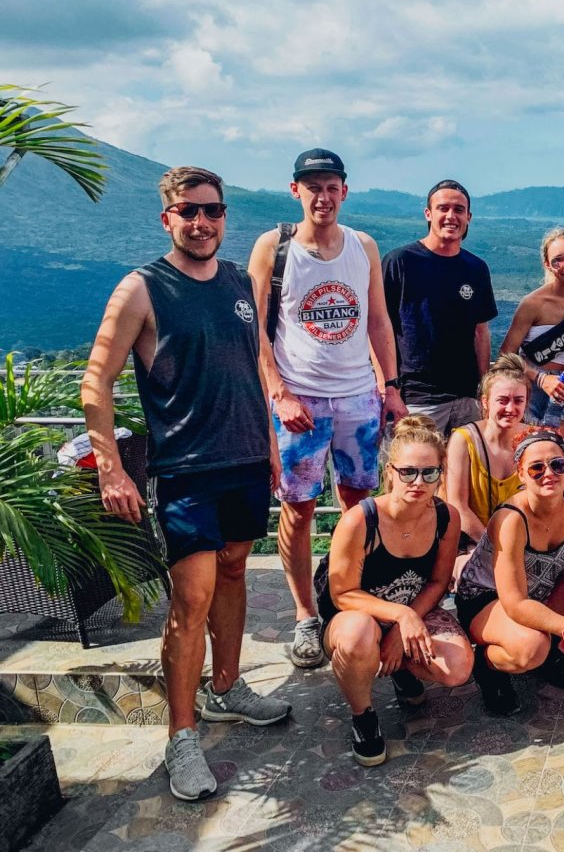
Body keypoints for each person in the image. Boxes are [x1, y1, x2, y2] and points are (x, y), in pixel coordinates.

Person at [81, 166, 290, 802]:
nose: (202, 222)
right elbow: (98, 381)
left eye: (213, 211)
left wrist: (273, 448)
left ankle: (225, 686)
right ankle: (182, 735)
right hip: (186, 469)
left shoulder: (234, 281)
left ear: (225, 216)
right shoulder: (143, 289)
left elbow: (251, 367)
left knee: (232, 571)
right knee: (191, 598)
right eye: (188, 211)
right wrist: (113, 466)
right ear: (167, 217)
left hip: (246, 460)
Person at [247, 148, 407, 670]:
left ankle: (348, 597)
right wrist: (280, 393)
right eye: (312, 186)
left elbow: (378, 320)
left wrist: (392, 386)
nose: (323, 195)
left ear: (345, 190)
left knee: (362, 506)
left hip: (360, 395)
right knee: (298, 508)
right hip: (302, 400)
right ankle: (304, 616)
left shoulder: (362, 245)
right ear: (296, 190)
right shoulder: (275, 247)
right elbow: (255, 329)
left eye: (331, 185)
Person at [319, 415, 472, 765]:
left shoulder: (446, 517)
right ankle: (363, 716)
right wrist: (401, 617)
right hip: (354, 618)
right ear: (390, 472)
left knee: (457, 667)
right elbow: (343, 593)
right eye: (408, 472)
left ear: (440, 474)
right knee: (359, 634)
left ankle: (400, 667)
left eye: (429, 473)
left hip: (412, 607)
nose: (418, 482)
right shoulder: (361, 520)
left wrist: (404, 627)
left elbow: (437, 582)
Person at [455, 429, 564, 715]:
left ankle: (550, 653)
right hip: (489, 600)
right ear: (521, 474)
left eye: (557, 465)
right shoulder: (511, 519)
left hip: (544, 589)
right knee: (530, 647)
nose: (549, 473)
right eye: (536, 468)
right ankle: (488, 666)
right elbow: (515, 603)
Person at [382, 179, 497, 433]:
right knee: (415, 472)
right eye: (443, 208)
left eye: (458, 210)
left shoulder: (476, 268)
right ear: (428, 213)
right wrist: (389, 388)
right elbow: (379, 329)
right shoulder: (400, 262)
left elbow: (481, 332)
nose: (450, 216)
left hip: (467, 399)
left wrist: (483, 390)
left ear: (468, 217)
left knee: (466, 472)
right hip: (415, 399)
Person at [500, 226, 564, 439]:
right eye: (557, 260)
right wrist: (541, 379)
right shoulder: (532, 303)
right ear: (547, 264)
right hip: (530, 386)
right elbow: (506, 354)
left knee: (559, 452)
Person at [444, 354, 528, 554]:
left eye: (518, 401)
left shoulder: (533, 440)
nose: (511, 408)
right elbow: (458, 506)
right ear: (485, 402)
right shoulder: (464, 440)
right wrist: (495, 549)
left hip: (523, 544)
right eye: (502, 400)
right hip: (474, 542)